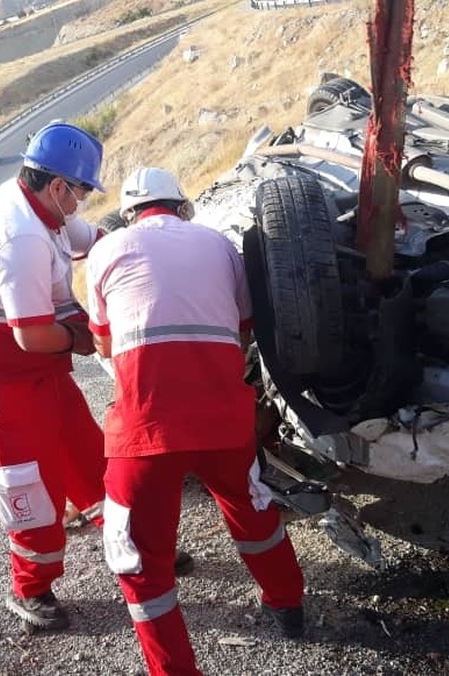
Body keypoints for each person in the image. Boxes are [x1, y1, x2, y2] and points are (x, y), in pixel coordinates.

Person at [0, 123, 193, 632]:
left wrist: (142, 250)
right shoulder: (21, 236)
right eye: (81, 191)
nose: (82, 201)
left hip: (37, 370)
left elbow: (94, 242)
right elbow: (32, 336)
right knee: (32, 490)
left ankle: (126, 539)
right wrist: (86, 337)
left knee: (89, 455)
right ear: (58, 186)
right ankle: (31, 588)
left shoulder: (45, 208)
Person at [86, 167, 306, 675]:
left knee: (139, 560)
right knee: (253, 515)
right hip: (223, 423)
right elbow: (246, 327)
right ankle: (288, 606)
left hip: (144, 430)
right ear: (182, 207)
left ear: (129, 214)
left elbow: (101, 341)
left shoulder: (106, 251)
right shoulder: (218, 244)